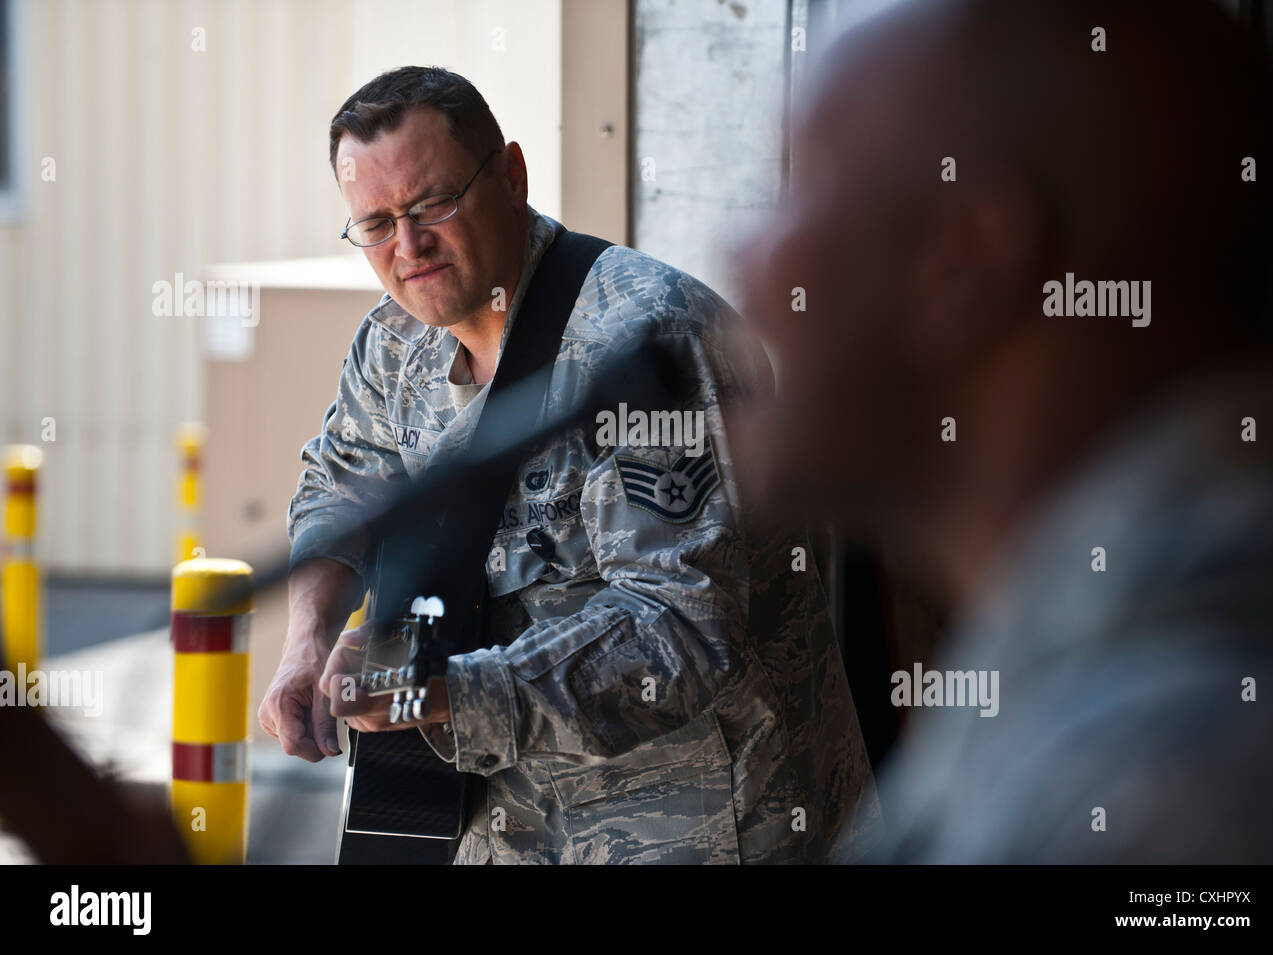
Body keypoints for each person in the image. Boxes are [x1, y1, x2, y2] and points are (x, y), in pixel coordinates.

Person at [257, 66, 878, 863]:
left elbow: (679, 627)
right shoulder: (393, 342)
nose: (407, 247)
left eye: (432, 205)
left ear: (511, 175)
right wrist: (306, 642)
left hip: (703, 826)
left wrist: (439, 693)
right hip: (503, 824)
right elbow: (337, 489)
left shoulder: (649, 341)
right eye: (375, 224)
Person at [728, 0, 1273, 862]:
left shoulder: (1152, 783)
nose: (745, 253)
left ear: (963, 262)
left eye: (798, 186)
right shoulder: (1098, 679)